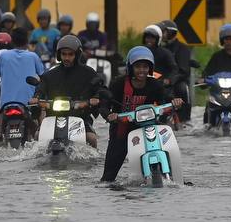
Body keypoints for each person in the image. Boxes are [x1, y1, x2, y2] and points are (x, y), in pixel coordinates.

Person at [100, 46, 184, 182]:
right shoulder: (119, 84)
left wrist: (175, 101)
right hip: (122, 128)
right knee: (108, 177)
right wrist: (109, 115)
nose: (142, 70)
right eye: (138, 66)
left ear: (150, 68)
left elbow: (166, 98)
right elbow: (104, 104)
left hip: (149, 126)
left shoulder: (155, 84)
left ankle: (174, 177)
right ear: (130, 67)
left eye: (145, 67)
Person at [33, 34, 105, 148]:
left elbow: (99, 87)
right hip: (53, 117)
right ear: (59, 55)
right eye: (63, 54)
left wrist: (95, 97)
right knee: (37, 136)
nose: (66, 58)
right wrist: (36, 97)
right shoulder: (50, 74)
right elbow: (42, 86)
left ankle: (93, 163)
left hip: (80, 117)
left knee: (91, 139)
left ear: (77, 55)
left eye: (70, 54)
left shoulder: (88, 73)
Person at [0, 37, 45, 143]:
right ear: (26, 42)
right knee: (42, 109)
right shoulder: (33, 56)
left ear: (13, 42)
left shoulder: (3, 56)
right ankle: (41, 132)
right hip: (28, 103)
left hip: (6, 103)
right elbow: (43, 77)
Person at [158, 19, 193, 122]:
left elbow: (183, 71)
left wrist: (170, 80)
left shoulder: (182, 48)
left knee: (182, 88)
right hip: (160, 80)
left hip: (176, 81)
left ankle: (184, 118)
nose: (161, 34)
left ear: (171, 32)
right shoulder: (159, 48)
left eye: (163, 31)